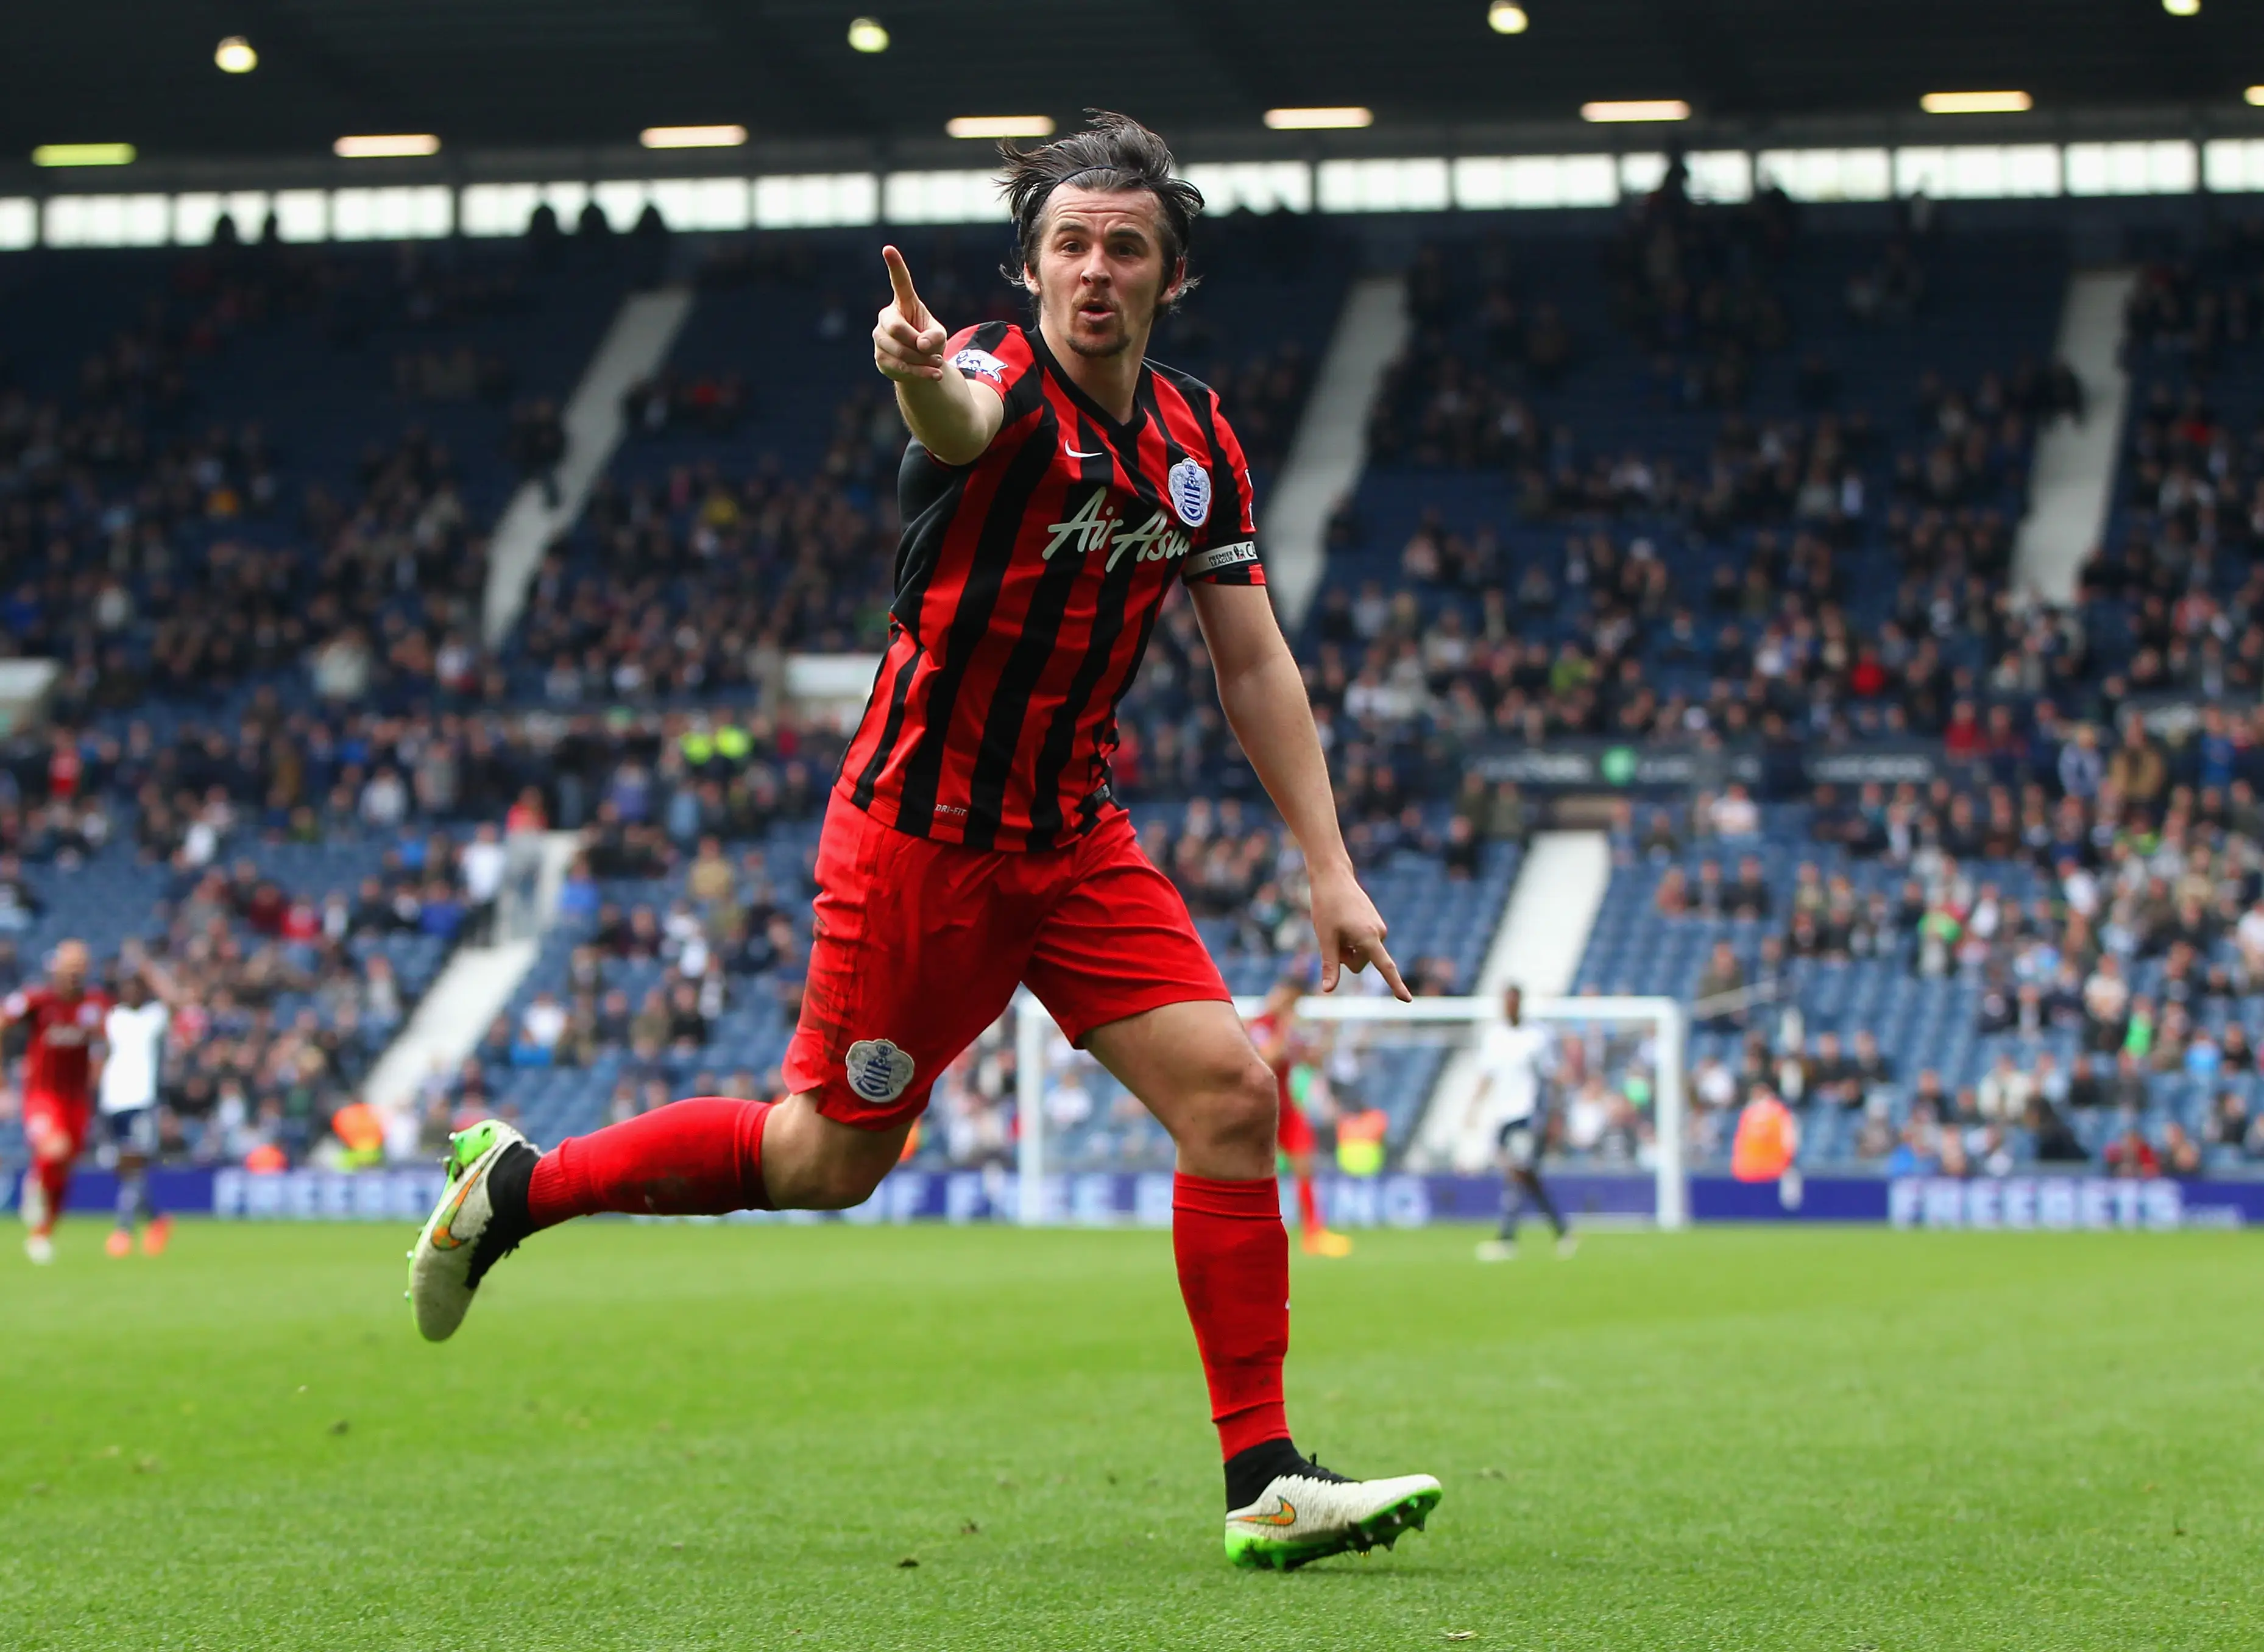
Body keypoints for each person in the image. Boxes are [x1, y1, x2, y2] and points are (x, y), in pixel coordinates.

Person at [408, 114, 1440, 1572]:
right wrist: (912, 374)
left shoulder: (1198, 441)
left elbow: (1253, 663)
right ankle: (516, 1186)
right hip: (921, 844)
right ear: (1028, 271)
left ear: (1169, 277)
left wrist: (1327, 867)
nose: (1094, 269)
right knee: (830, 1160)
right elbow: (955, 417)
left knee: (1229, 1095)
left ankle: (1262, 1476)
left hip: (1073, 837)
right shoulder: (996, 383)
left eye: (1123, 248)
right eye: (1068, 244)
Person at [3, 939, 111, 1263]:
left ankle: (42, 1233)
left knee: (65, 1166)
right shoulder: (36, 999)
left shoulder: (95, 1004)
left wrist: (98, 1070)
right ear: (56, 966)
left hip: (76, 1098)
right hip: (42, 1095)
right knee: (55, 1148)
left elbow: (105, 1043)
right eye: (70, 964)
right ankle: (35, 1180)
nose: (75, 971)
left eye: (81, 965)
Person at [1246, 975, 1352, 1257]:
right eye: (1285, 996)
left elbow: (1314, 1061)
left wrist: (1328, 1031)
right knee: (1253, 1174)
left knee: (1305, 1165)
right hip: (1258, 1113)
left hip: (1287, 1110)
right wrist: (1285, 1026)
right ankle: (1250, 1232)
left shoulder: (1288, 1030)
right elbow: (1267, 1058)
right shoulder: (1259, 1027)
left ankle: (1313, 1233)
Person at [1466, 986, 1573, 1262]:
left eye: (1513, 1002)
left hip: (1529, 1114)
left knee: (1515, 1173)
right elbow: (1486, 1074)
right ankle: (1563, 1232)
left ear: (1520, 1003)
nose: (1509, 1006)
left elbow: (1550, 1075)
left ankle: (1506, 1239)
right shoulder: (1495, 1037)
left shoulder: (1537, 1037)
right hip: (1504, 1115)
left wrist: (1555, 1114)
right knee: (1526, 1176)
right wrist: (1474, 1108)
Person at [95, 948, 179, 1258]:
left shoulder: (153, 1016)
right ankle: (157, 1220)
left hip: (142, 1100)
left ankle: (123, 1231)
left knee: (135, 1165)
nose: (130, 991)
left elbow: (175, 999)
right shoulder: (113, 1017)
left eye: (136, 985)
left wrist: (147, 966)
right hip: (112, 1101)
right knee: (124, 1170)